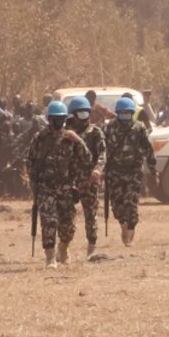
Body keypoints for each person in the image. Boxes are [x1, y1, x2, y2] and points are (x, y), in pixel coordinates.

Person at [27, 101, 92, 268]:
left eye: (61, 118)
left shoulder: (71, 138)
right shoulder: (40, 138)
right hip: (46, 187)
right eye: (54, 118)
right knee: (48, 221)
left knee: (68, 226)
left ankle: (63, 248)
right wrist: (33, 183)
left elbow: (87, 159)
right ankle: (50, 258)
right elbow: (30, 161)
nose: (58, 122)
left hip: (66, 188)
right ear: (49, 119)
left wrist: (78, 141)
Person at [103, 97, 159, 246]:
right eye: (122, 112)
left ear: (132, 113)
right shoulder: (109, 128)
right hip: (114, 173)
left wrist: (154, 171)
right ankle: (123, 225)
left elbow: (148, 150)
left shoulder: (139, 128)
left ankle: (130, 231)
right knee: (117, 205)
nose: (125, 115)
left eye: (128, 112)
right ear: (118, 113)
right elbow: (101, 151)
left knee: (131, 203)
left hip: (134, 172)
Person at [66, 96, 106, 256]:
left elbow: (103, 154)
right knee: (66, 214)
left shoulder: (95, 132)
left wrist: (98, 169)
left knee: (90, 213)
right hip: (69, 180)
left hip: (89, 179)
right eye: (79, 114)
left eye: (85, 113)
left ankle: (91, 246)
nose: (83, 117)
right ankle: (64, 246)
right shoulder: (65, 132)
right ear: (72, 115)